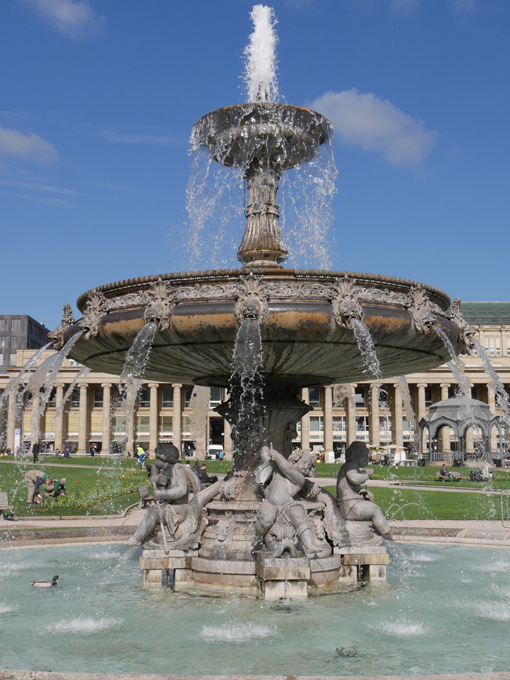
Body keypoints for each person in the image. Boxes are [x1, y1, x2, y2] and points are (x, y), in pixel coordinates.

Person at [253, 445, 323, 557]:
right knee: (266, 520)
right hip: (270, 504)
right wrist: (266, 449)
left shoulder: (299, 479)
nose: (306, 467)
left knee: (298, 516)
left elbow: (288, 469)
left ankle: (310, 545)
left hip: (286, 507)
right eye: (304, 463)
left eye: (309, 467)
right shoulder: (277, 468)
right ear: (295, 460)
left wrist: (276, 454)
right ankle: (256, 537)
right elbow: (265, 456)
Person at [336, 441, 391, 537]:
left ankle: (378, 534)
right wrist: (366, 475)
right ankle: (387, 535)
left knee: (372, 508)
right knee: (375, 510)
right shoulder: (350, 465)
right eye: (365, 455)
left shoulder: (353, 466)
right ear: (356, 454)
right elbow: (354, 479)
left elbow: (352, 488)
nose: (367, 458)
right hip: (350, 507)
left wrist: (363, 493)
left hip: (350, 506)